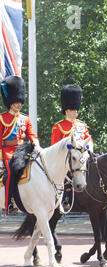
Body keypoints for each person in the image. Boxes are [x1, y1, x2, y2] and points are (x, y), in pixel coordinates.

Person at [0, 76, 42, 215]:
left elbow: (32, 135)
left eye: (20, 102)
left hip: (23, 150)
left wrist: (37, 145)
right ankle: (9, 204)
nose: (19, 104)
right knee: (12, 171)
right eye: (16, 102)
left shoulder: (25, 119)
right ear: (10, 102)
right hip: (8, 151)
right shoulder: (2, 118)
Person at [51, 85, 93, 210]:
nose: (76, 112)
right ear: (66, 110)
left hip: (81, 157)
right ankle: (65, 199)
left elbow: (88, 139)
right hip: (65, 159)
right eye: (73, 110)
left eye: (76, 110)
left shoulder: (82, 125)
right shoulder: (58, 126)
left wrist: (89, 149)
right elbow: (55, 146)